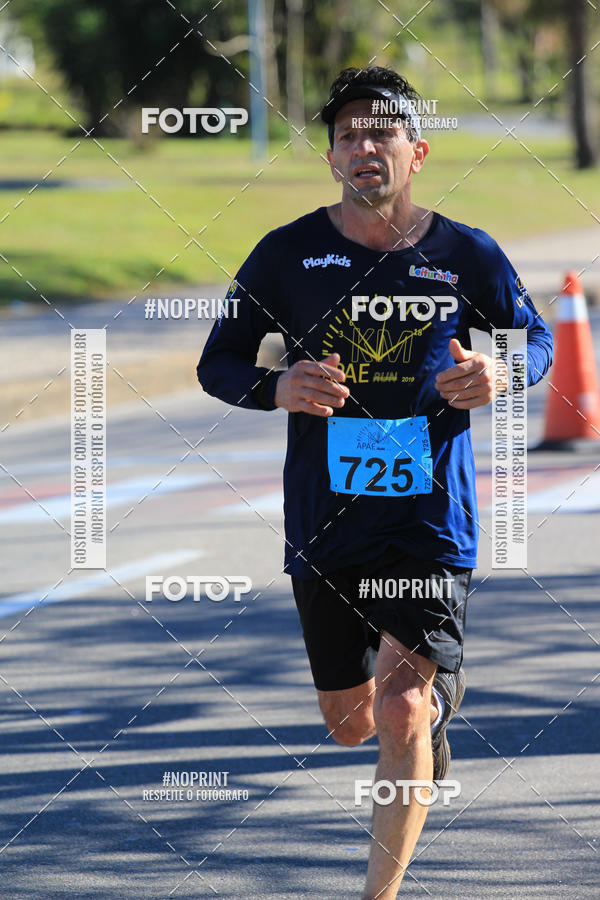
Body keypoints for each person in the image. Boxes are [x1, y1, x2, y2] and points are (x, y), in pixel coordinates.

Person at [197, 66, 553, 898]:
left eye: (382, 132)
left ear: (416, 151)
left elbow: (531, 339)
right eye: (349, 134)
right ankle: (432, 713)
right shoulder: (287, 255)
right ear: (331, 159)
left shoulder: (467, 253)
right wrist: (274, 386)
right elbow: (218, 360)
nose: (365, 145)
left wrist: (500, 375)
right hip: (328, 520)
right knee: (354, 723)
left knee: (396, 711)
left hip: (431, 518)